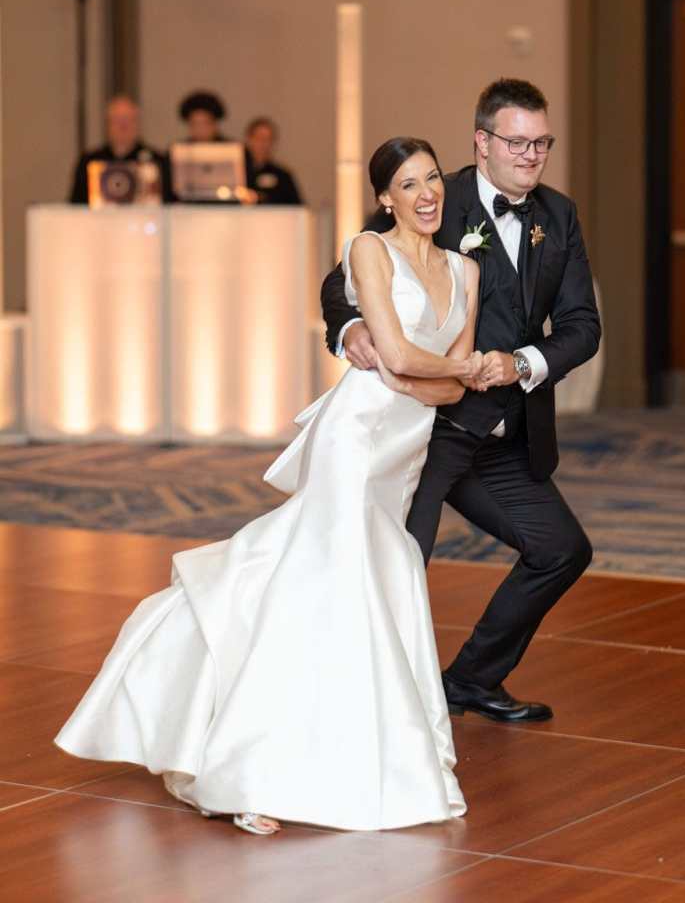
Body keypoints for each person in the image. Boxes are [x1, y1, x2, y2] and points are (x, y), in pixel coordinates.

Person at [55, 137, 482, 835]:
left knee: (343, 578)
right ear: (385, 198)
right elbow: (405, 357)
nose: (425, 193)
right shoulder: (368, 251)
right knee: (337, 585)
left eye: (431, 178)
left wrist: (424, 375)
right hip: (355, 437)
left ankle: (335, 748)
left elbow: (444, 382)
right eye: (407, 184)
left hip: (402, 452)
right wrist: (424, 372)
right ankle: (254, 763)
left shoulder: (464, 270)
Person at [322, 78, 600, 725]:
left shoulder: (557, 216)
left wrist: (524, 363)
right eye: (517, 142)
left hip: (504, 430)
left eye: (541, 143)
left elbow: (582, 325)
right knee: (398, 565)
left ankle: (470, 680)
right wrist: (352, 328)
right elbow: (345, 279)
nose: (531, 155)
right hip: (425, 427)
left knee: (560, 549)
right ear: (482, 142)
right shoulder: (430, 196)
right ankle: (365, 712)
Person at [69, 94, 172, 204]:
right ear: (107, 124)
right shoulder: (90, 161)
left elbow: (168, 206)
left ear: (138, 124)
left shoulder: (157, 161)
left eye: (128, 120)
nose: (123, 126)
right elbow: (77, 205)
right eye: (117, 120)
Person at [244, 116, 303, 204]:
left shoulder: (282, 175)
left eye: (268, 139)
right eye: (259, 138)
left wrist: (259, 197)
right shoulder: (238, 171)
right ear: (249, 139)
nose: (263, 143)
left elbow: (296, 205)